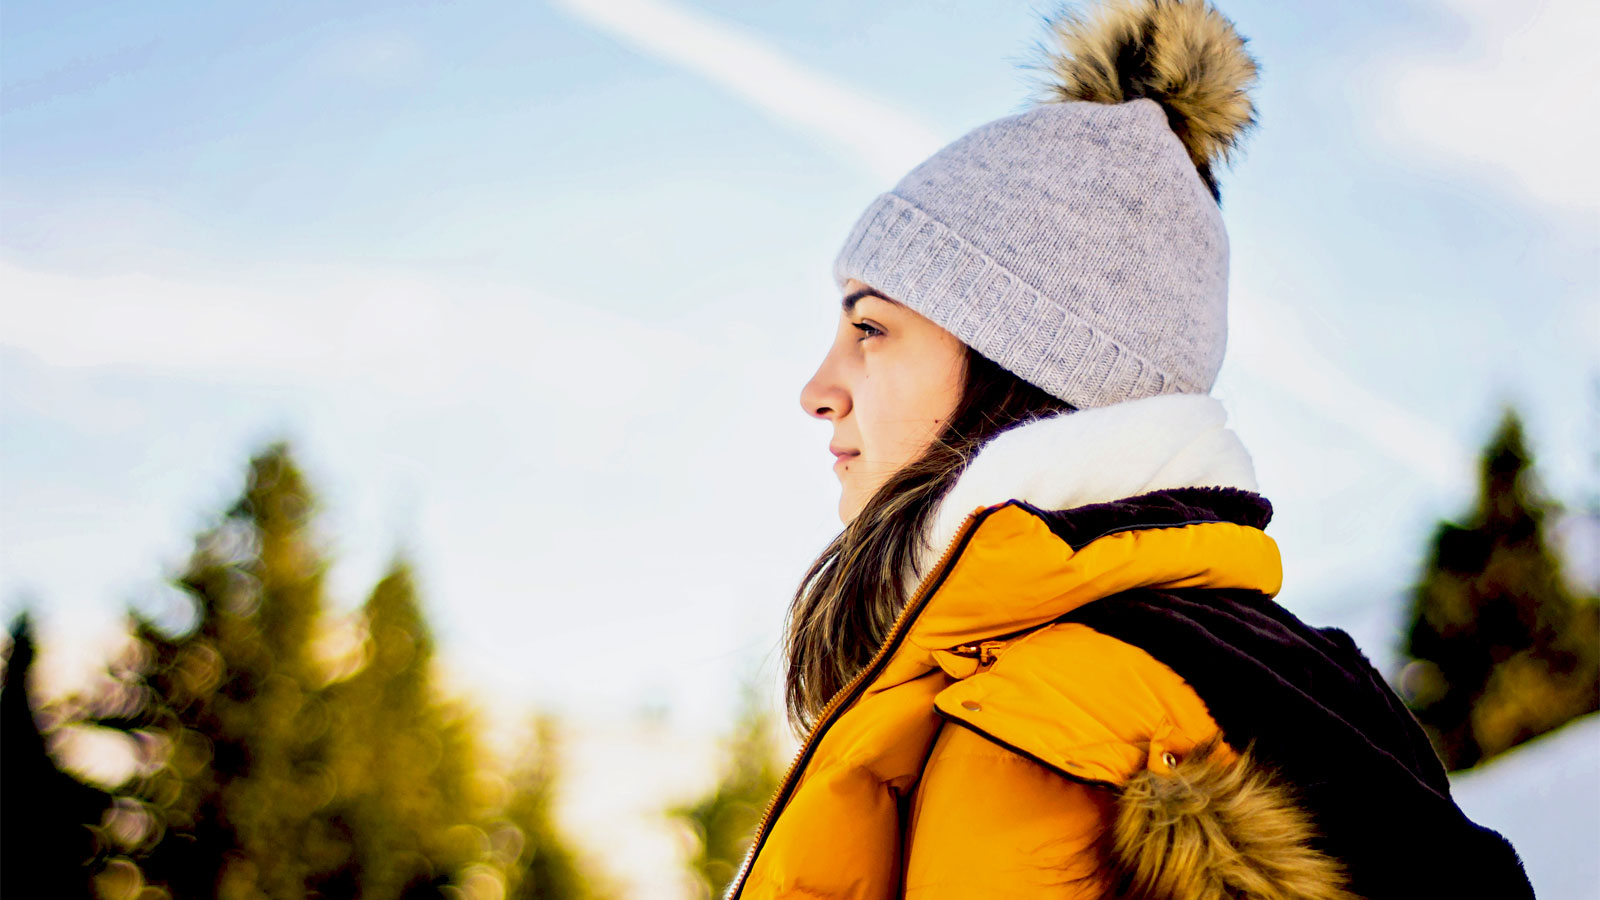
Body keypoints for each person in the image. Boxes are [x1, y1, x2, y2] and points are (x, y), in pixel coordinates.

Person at [725, 1, 1536, 898]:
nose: (818, 389)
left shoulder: (1069, 717)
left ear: (1027, 358)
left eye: (871, 328)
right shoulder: (1204, 675)